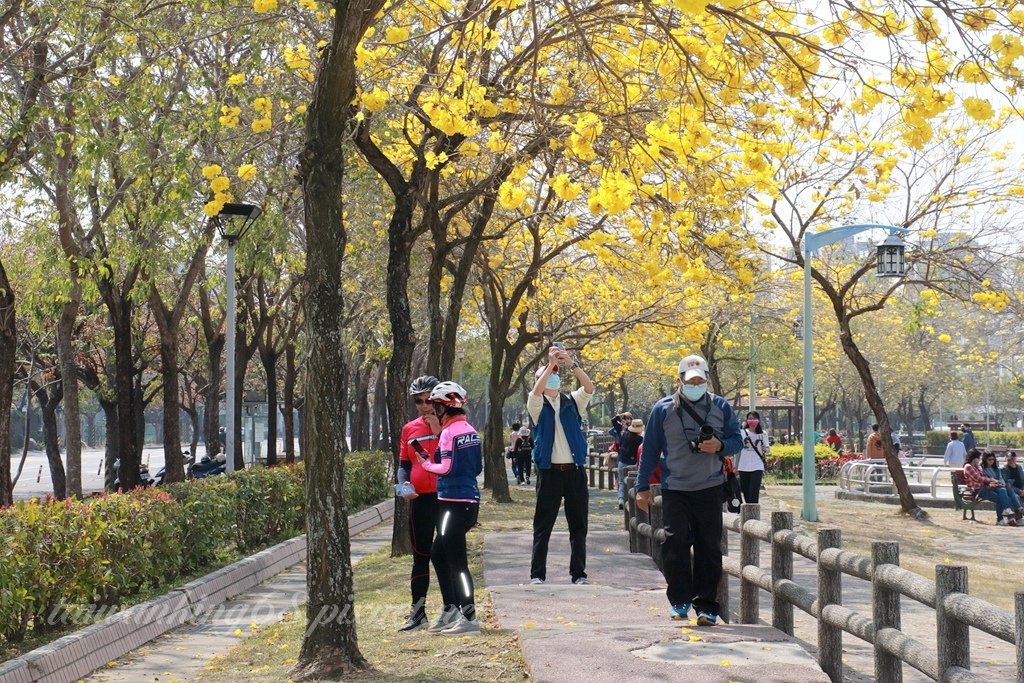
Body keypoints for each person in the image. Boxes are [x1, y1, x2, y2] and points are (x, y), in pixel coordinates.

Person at [636, 354, 743, 626]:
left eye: (700, 380)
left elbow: (736, 440)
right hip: (675, 488)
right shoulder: (662, 410)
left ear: (707, 379)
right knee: (675, 543)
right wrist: (642, 486)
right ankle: (680, 601)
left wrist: (719, 446)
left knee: (709, 547)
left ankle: (707, 606)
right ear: (680, 381)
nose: (696, 384)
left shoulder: (720, 406)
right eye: (691, 380)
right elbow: (649, 450)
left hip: (710, 488)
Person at [416, 380, 484, 635]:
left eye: (435, 406)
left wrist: (426, 464)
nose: (432, 410)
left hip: (451, 504)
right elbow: (477, 468)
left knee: (457, 562)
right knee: (439, 554)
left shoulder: (448, 433)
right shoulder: (470, 430)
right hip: (468, 503)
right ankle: (452, 609)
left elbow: (444, 468)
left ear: (444, 407)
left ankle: (468, 616)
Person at [528, 345, 596, 585]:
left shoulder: (572, 401)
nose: (554, 375)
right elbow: (536, 393)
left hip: (575, 472)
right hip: (550, 473)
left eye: (556, 373)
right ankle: (537, 574)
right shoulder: (536, 405)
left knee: (579, 526)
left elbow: (589, 387)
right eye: (549, 373)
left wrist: (571, 364)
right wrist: (550, 364)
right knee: (543, 526)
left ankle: (579, 574)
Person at [396, 375, 453, 632]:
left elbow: (456, 457)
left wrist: (438, 430)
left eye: (428, 399)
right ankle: (418, 614)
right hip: (419, 500)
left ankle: (452, 610)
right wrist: (403, 485)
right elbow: (403, 465)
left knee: (445, 555)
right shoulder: (409, 429)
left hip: (446, 497)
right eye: (418, 401)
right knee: (420, 556)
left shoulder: (452, 425)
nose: (423, 405)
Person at [962, 449, 1019, 526]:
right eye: (978, 458)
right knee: (1001, 498)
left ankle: (1006, 511)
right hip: (978, 490)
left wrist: (994, 481)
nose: (979, 460)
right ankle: (1001, 518)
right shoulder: (968, 467)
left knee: (1002, 491)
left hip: (985, 487)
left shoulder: (977, 466)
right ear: (974, 458)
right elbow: (978, 478)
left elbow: (985, 476)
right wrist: (990, 480)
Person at [737, 411, 769, 504]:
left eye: (754, 418)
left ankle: (754, 514)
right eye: (750, 418)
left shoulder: (763, 434)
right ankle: (748, 512)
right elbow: (737, 449)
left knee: (754, 491)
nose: (752, 420)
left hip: (757, 466)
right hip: (743, 465)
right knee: (745, 490)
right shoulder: (741, 433)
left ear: (758, 420)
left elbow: (767, 449)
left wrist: (764, 447)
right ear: (746, 420)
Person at [617, 419, 644, 509]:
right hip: (632, 464)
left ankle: (621, 499)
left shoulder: (624, 435)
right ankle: (630, 501)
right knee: (633, 483)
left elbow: (619, 445)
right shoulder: (640, 440)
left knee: (621, 482)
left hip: (622, 462)